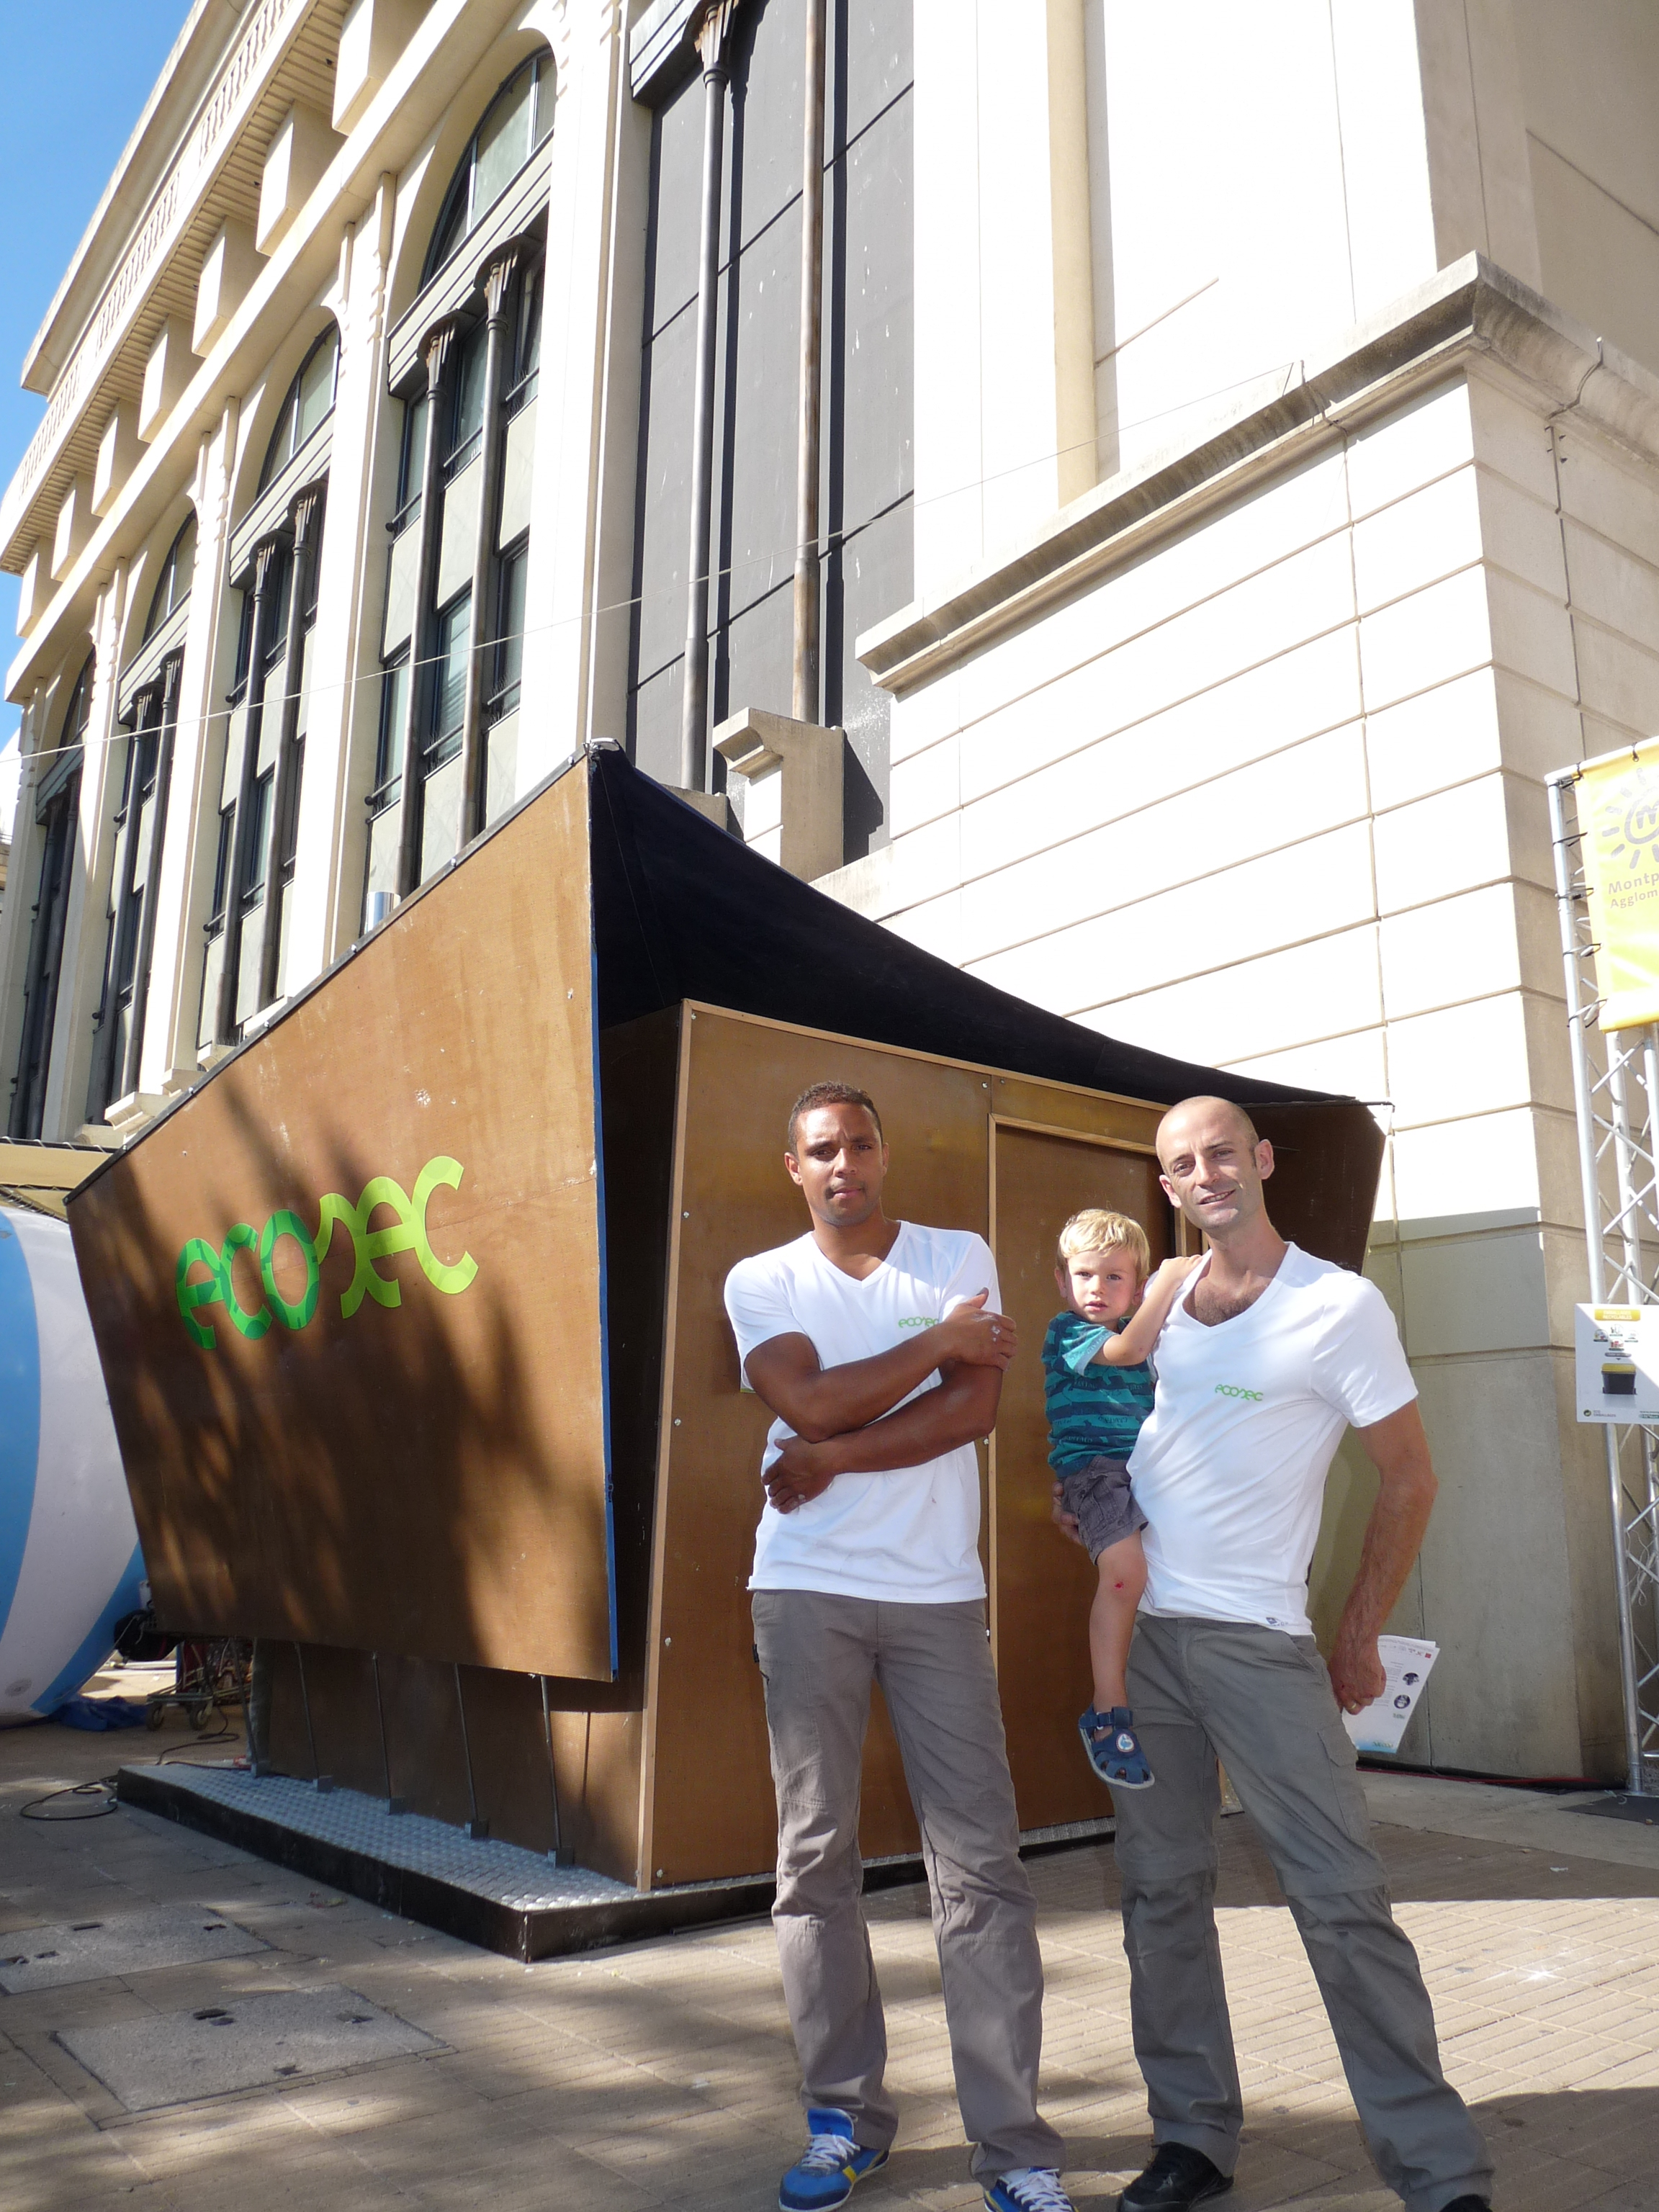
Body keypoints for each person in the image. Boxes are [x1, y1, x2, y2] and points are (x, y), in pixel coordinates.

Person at [1056, 1096, 1493, 2212]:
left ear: (1261, 1160)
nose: (1205, 1174)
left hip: (1259, 1644)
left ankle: (1441, 2174)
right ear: (1167, 1186)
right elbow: (1133, 1418)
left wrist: (1356, 1631)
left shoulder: (1336, 1305)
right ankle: (1193, 2137)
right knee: (1160, 1898)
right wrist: (1099, 1508)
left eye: (1221, 1153)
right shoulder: (1162, 1295)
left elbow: (1410, 1477)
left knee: (1342, 1903)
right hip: (1146, 1646)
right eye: (1181, 1163)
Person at [726, 1080, 1074, 2212]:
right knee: (814, 1860)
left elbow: (970, 1414)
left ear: (884, 1155)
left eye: (860, 1145)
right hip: (803, 1590)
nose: (844, 1165)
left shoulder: (955, 1251)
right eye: (822, 1149)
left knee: (980, 1865)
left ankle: (1013, 2147)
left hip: (935, 1595)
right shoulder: (763, 1280)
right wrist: (935, 1343)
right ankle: (844, 2121)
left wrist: (830, 1457)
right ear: (796, 1167)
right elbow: (808, 1402)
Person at [1041, 1209, 1198, 1790]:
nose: (1096, 1288)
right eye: (1084, 1274)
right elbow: (1130, 1351)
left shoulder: (1145, 1332)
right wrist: (1169, 1281)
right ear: (1063, 1281)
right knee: (1124, 1575)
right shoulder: (1069, 1331)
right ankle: (1108, 1707)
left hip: (1144, 1472)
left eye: (1114, 1277)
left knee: (1155, 1578)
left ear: (1134, 1288)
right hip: (1097, 1473)